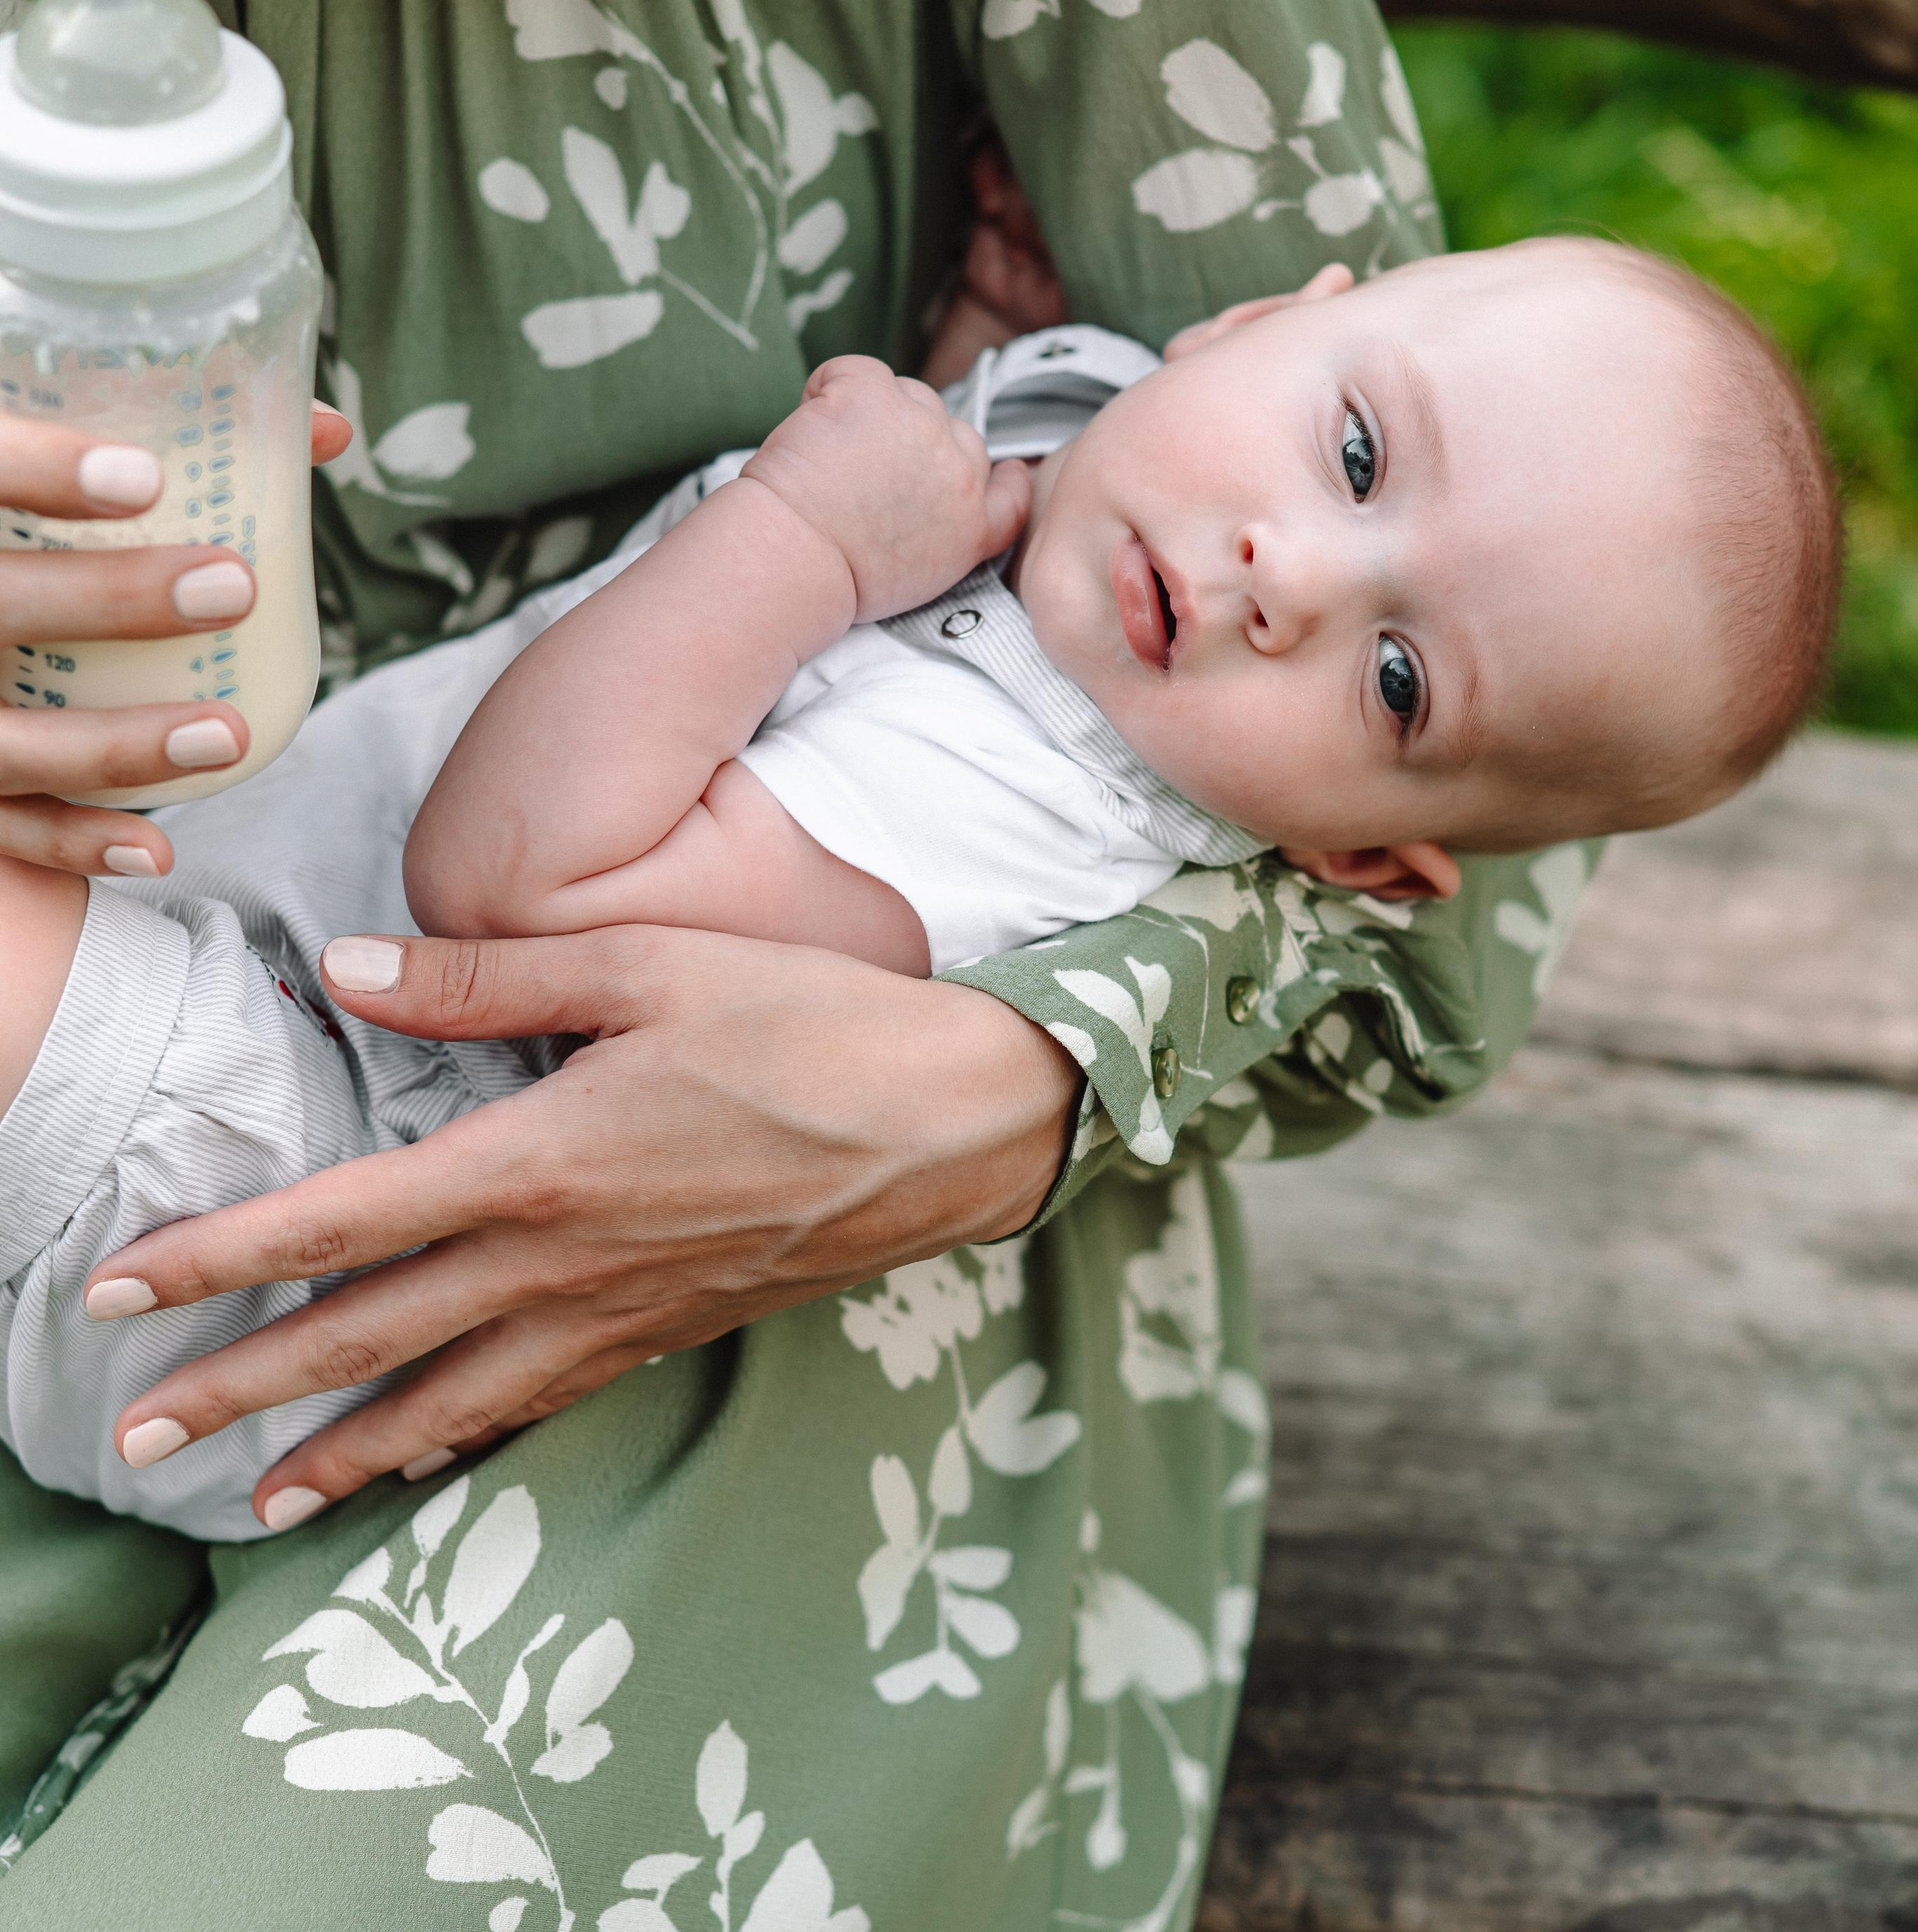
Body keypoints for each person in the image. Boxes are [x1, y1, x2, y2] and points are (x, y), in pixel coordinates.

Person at [0, 0, 1628, 1932]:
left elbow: (1484, 891)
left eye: (1363, 621)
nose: (1273, 572)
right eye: (1324, 478)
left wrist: (1013, 1069)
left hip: (775, 1227)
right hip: (167, 993)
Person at [0, 242, 1840, 1543]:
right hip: (236, 936)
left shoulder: (1023, 823)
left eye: (1394, 682)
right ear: (1275, 318)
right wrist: (981, 331)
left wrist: (805, 537)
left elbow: (511, 889)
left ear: (1353, 859)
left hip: (277, 1201)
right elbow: (995, 476)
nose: (1294, 573)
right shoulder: (1112, 452)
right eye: (1356, 453)